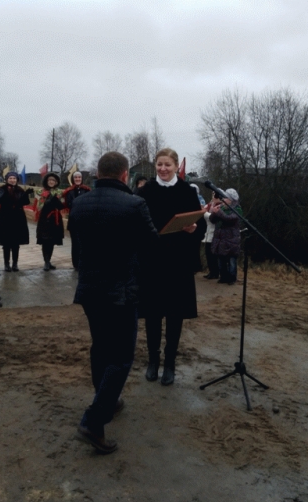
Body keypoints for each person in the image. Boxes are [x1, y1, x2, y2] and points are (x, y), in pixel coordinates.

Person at [69, 152, 158, 453]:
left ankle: (106, 397)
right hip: (121, 291)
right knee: (120, 357)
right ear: (124, 175)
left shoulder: (80, 203)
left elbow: (78, 245)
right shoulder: (134, 204)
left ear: (98, 173)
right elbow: (150, 246)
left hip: (89, 289)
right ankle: (94, 421)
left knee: (100, 347)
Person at [136, 148, 206, 385]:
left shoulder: (187, 191)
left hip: (178, 262)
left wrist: (194, 229)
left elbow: (200, 225)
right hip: (152, 261)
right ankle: (153, 360)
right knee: (153, 314)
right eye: (159, 164)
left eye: (167, 165)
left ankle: (170, 363)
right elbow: (135, 223)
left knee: (175, 314)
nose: (163, 169)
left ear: (176, 166)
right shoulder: (145, 191)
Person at [0, 171, 31, 272]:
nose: (12, 180)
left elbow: (25, 202)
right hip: (5, 218)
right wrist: (7, 192)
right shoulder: (2, 189)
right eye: (10, 178)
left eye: (14, 178)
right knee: (6, 243)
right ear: (7, 179)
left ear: (17, 180)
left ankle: (15, 264)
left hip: (18, 218)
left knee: (16, 243)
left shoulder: (20, 190)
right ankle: (6, 264)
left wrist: (26, 194)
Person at [62, 171, 92, 269]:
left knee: (84, 243)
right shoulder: (69, 191)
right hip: (74, 220)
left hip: (85, 220)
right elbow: (69, 204)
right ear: (73, 179)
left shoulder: (87, 190)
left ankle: (84, 262)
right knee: (75, 243)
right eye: (76, 177)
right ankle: (75, 264)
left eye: (79, 177)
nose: (77, 179)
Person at [35, 172, 64, 270]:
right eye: (49, 180)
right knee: (45, 241)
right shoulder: (40, 192)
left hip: (55, 219)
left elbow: (61, 206)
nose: (51, 182)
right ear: (46, 181)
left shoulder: (59, 193)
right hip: (44, 219)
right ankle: (46, 262)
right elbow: (39, 207)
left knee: (52, 241)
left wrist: (55, 199)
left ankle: (49, 260)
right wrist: (46, 201)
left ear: (56, 182)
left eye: (53, 180)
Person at [202, 195, 221, 280]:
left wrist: (205, 212)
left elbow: (212, 218)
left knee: (213, 254)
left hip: (215, 233)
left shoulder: (219, 206)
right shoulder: (210, 205)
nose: (213, 198)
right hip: (208, 232)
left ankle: (215, 272)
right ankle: (211, 271)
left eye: (215, 196)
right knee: (208, 253)